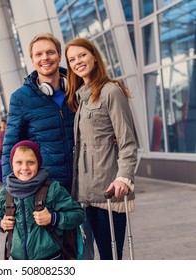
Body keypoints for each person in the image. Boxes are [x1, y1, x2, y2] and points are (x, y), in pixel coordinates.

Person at [65, 37, 138, 260]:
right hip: (84, 195)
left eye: (82, 55)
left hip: (107, 193)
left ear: (94, 57)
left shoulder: (110, 92)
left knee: (111, 258)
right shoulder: (81, 99)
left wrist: (124, 178)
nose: (78, 61)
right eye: (72, 59)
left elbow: (128, 142)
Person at [1, 32, 75, 194]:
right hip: (48, 188)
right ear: (32, 61)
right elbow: (9, 146)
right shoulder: (21, 98)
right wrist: (9, 192)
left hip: (84, 181)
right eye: (39, 54)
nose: (45, 58)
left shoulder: (79, 88)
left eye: (50, 52)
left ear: (59, 56)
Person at [0, 140, 85, 260]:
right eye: (19, 162)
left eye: (30, 162)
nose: (24, 167)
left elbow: (78, 215)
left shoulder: (53, 189)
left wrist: (53, 218)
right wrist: (1, 223)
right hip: (17, 258)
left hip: (50, 257)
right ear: (12, 165)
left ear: (38, 164)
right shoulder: (7, 192)